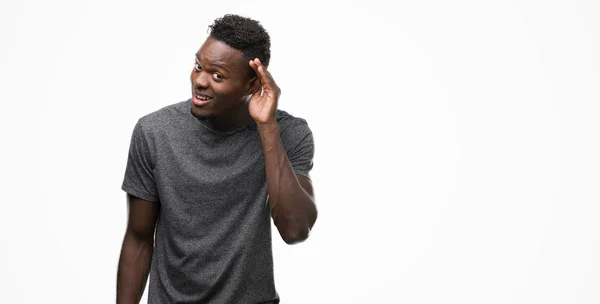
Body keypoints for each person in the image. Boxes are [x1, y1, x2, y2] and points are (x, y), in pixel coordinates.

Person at [116, 14, 317, 304]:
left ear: (251, 85)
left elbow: (295, 229)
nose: (199, 81)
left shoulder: (289, 133)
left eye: (217, 75)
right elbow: (138, 238)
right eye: (199, 66)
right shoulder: (154, 132)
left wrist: (267, 127)